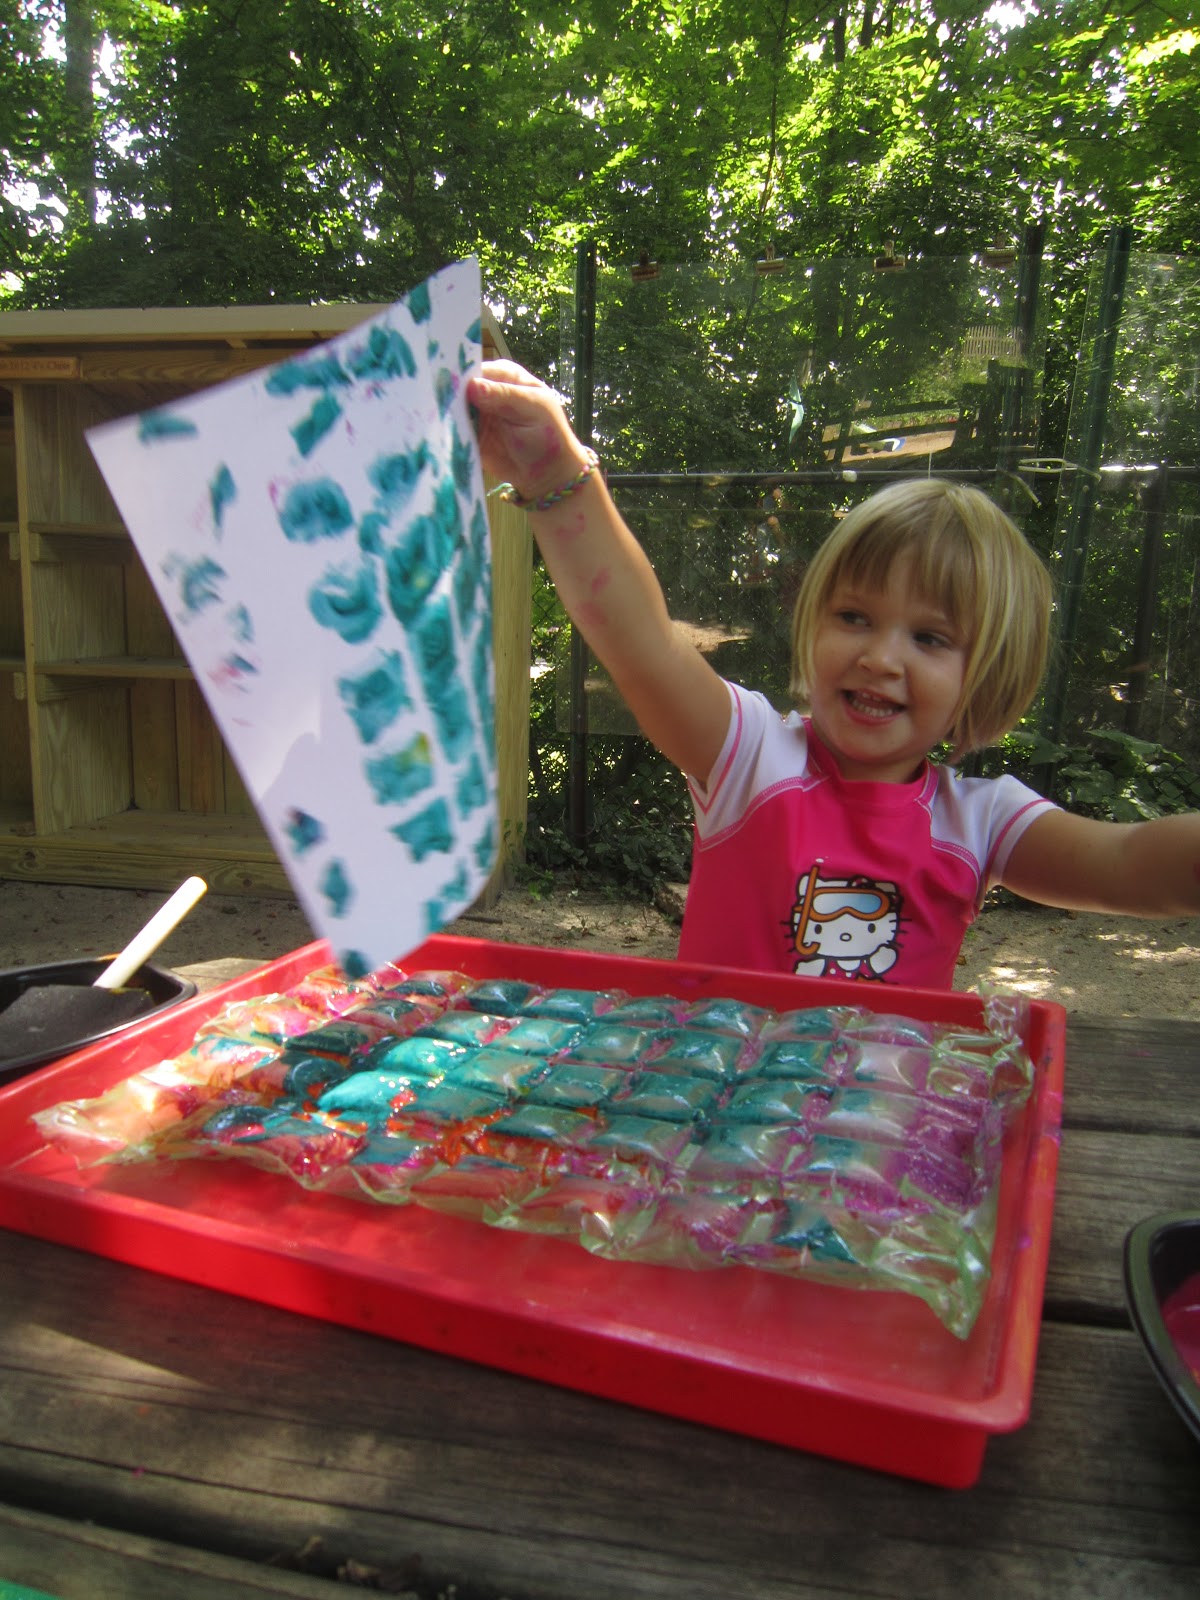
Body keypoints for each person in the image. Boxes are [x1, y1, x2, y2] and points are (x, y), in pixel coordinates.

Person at [468, 359, 1200, 990]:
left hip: (874, 1143)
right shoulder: (750, 756)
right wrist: (556, 474)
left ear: (986, 678)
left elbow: (1133, 863)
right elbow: (643, 645)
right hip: (712, 1132)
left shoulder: (980, 822)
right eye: (854, 617)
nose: (881, 657)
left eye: (930, 637)